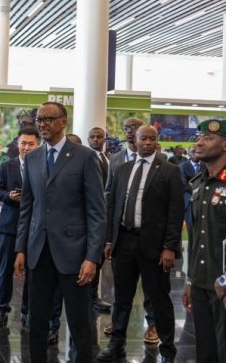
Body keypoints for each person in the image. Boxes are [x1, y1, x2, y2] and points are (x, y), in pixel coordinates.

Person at [14, 102, 105, 363]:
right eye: (39, 120)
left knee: (79, 322)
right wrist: (20, 249)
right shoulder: (33, 158)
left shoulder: (85, 157)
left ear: (63, 121)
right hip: (38, 251)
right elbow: (27, 207)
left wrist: (92, 257)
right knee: (37, 320)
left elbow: (97, 212)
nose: (42, 124)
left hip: (74, 254)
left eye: (48, 119)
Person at [97, 126, 183, 363]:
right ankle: (116, 344)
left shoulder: (170, 170)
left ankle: (167, 350)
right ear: (134, 141)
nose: (148, 142)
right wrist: (109, 239)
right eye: (143, 138)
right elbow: (112, 205)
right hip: (124, 241)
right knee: (121, 297)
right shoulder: (121, 169)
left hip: (154, 245)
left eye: (152, 139)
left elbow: (176, 211)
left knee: (159, 298)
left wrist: (170, 247)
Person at [105, 117, 158, 344]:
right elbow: (110, 197)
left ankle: (153, 324)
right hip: (123, 236)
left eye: (134, 127)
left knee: (152, 286)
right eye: (127, 128)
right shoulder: (117, 161)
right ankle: (117, 329)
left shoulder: (163, 164)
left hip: (150, 237)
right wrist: (109, 238)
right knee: (121, 287)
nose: (130, 131)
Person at [182, 119, 226, 362]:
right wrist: (190, 280)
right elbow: (196, 235)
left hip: (223, 283)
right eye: (198, 137)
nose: (199, 143)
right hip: (201, 281)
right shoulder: (198, 183)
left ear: (224, 144)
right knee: (206, 351)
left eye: (207, 138)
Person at [0, 127, 40, 328]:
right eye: (23, 143)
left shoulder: (43, 166)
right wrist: (8, 196)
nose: (26, 147)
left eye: (31, 144)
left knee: (33, 270)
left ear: (38, 145)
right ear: (17, 144)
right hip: (10, 224)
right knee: (5, 269)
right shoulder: (7, 166)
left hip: (34, 225)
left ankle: (27, 310)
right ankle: (1, 309)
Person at [87, 127, 112, 314]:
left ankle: (93, 296)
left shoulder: (110, 159)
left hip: (106, 216)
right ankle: (89, 298)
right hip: (90, 217)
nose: (96, 140)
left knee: (100, 258)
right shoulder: (86, 158)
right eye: (92, 137)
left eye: (99, 137)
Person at [179, 145, 206, 243]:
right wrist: (200, 187)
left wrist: (192, 184)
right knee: (191, 231)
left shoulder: (205, 165)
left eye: (197, 151)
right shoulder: (182, 166)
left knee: (203, 231)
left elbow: (208, 182)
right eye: (192, 151)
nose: (195, 153)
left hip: (204, 201)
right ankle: (191, 252)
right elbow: (183, 185)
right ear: (188, 153)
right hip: (189, 202)